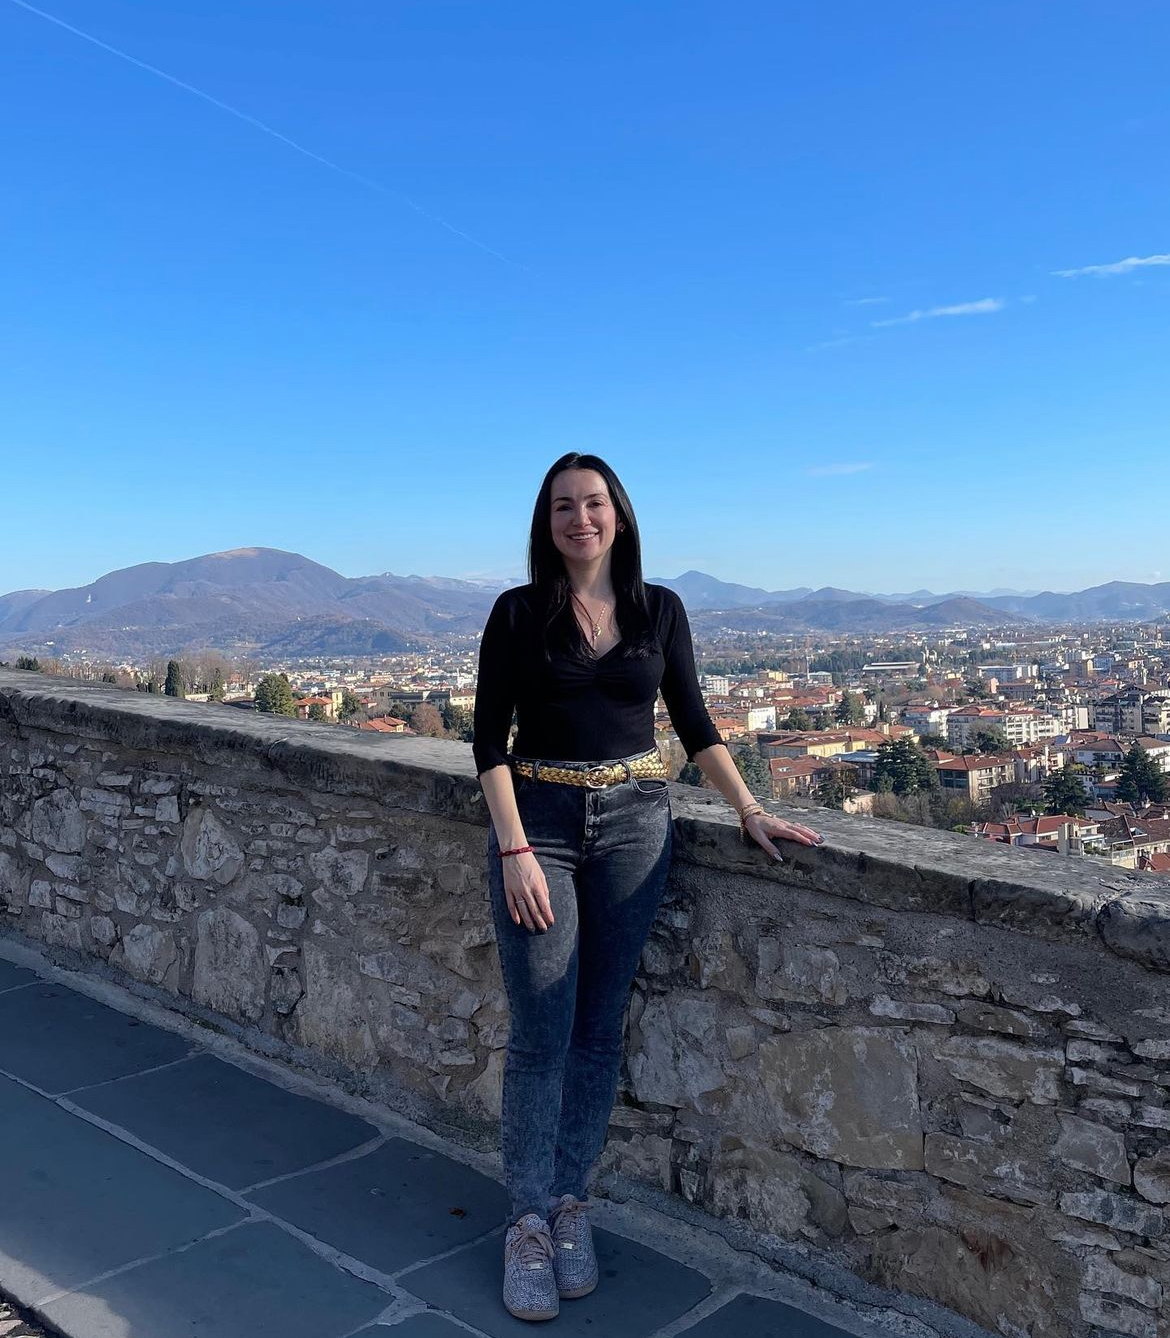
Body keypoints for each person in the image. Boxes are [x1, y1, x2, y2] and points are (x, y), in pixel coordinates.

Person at [472, 452, 823, 1322]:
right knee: (540, 1031)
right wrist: (514, 848)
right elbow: (487, 739)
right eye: (563, 507)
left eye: (593, 504)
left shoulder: (658, 609)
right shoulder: (517, 613)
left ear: (618, 516)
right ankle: (522, 1219)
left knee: (597, 1030)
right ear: (545, 522)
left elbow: (696, 722)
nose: (579, 519)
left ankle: (569, 1207)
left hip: (637, 822)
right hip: (541, 829)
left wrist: (747, 808)